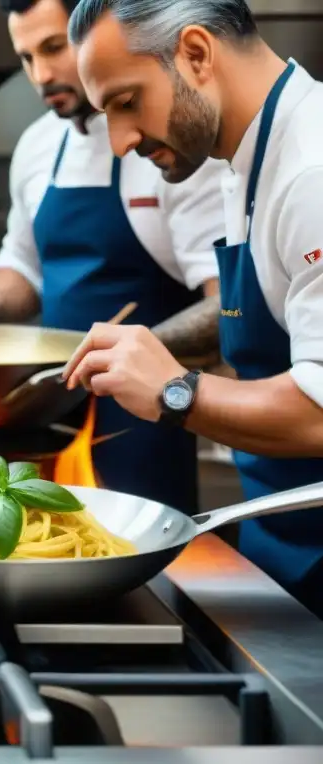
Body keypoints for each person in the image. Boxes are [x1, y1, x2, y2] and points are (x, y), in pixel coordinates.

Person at [64, 0, 323, 616]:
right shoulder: (247, 162)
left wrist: (175, 391)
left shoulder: (312, 170)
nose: (121, 141)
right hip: (287, 551)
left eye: (127, 103)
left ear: (197, 54)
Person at [0, 0, 228, 515]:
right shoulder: (38, 146)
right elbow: (23, 264)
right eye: (25, 58)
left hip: (146, 426)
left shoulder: (167, 146)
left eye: (54, 48)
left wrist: (123, 357)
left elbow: (230, 305)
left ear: (94, 32)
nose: (41, 75)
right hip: (50, 424)